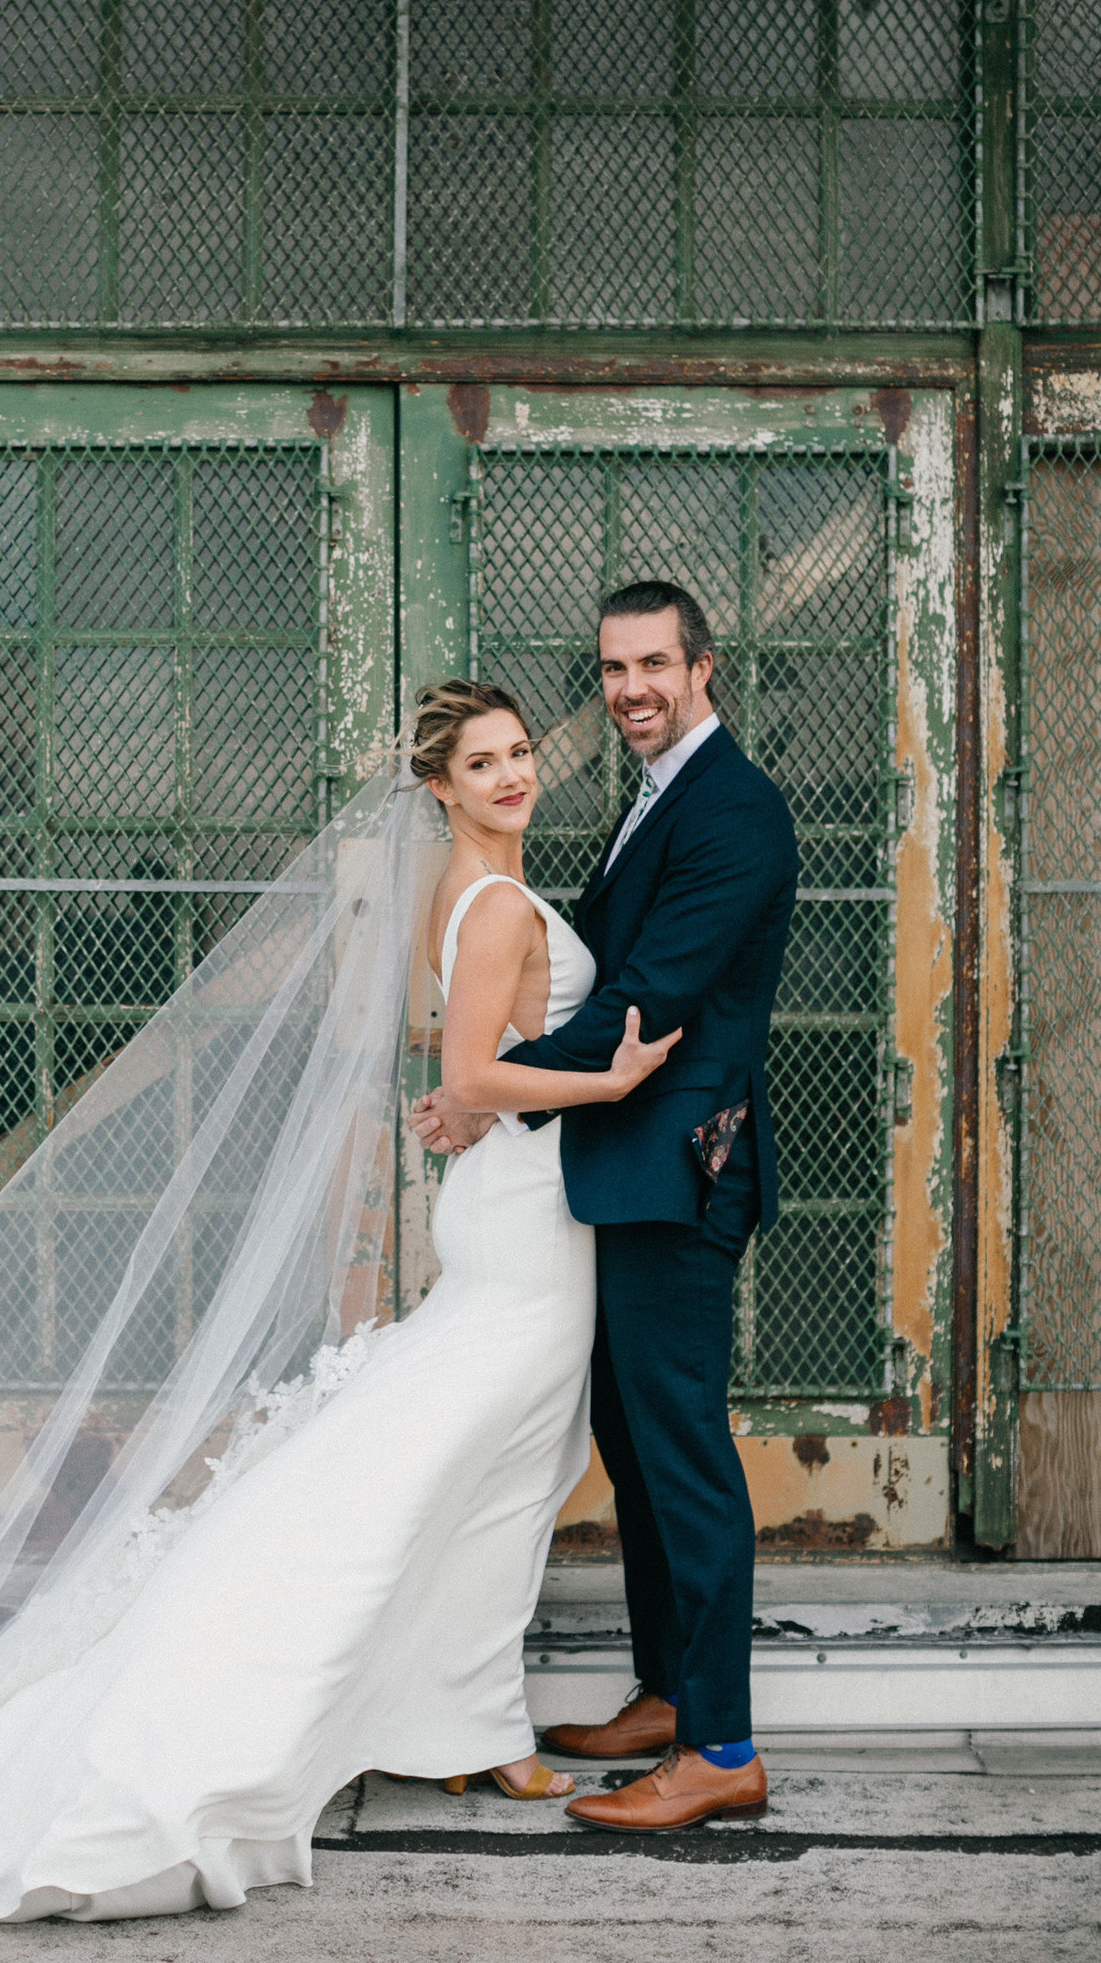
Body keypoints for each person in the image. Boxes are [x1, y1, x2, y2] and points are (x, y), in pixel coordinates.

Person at [0, 682, 677, 1923]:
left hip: (519, 1199)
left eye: (520, 753)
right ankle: (405, 1715)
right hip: (527, 1226)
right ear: (438, 789)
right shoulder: (487, 905)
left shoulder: (477, 896)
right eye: (481, 763)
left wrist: (474, 1106)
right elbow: (477, 1062)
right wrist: (617, 1075)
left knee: (502, 1481)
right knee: (460, 1472)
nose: (511, 775)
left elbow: (471, 1077)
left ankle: (473, 1722)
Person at [412, 581, 798, 1834]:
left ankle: (722, 1746)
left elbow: (649, 992)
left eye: (651, 665)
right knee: (633, 1446)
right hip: (619, 1166)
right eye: (612, 669)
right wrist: (490, 1094)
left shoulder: (734, 809)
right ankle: (668, 1690)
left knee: (679, 1449)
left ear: (701, 667)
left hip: (680, 1168)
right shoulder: (656, 797)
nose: (629, 688)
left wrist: (489, 1097)